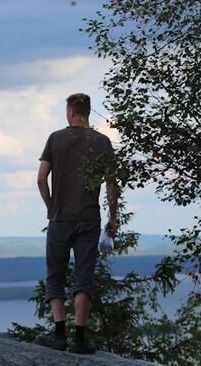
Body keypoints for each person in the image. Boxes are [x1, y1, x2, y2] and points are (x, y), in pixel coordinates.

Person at [34, 93, 118, 354]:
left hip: (59, 219)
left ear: (70, 112)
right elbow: (112, 184)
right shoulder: (101, 141)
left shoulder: (55, 139)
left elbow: (40, 178)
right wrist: (113, 218)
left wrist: (51, 207)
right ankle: (79, 338)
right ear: (88, 113)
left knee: (55, 274)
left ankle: (59, 334)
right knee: (83, 276)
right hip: (89, 218)